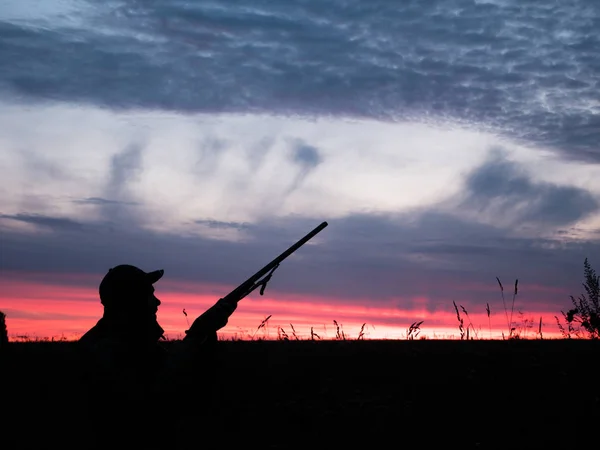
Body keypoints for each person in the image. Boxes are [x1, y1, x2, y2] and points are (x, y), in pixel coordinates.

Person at [77, 264, 238, 445]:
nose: (157, 302)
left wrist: (206, 335)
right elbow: (151, 403)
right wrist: (195, 337)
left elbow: (193, 390)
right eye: (149, 295)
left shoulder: (134, 341)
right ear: (132, 301)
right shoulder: (104, 349)